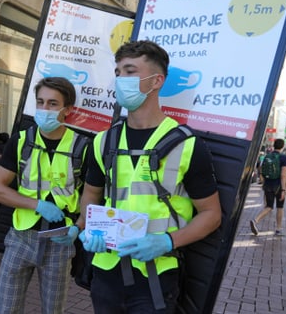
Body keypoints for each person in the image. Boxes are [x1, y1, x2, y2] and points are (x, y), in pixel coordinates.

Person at [74, 40, 221, 313]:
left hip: (157, 272)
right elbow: (91, 197)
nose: (121, 79)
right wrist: (88, 227)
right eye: (118, 73)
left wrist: (168, 241)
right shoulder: (102, 142)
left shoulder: (187, 145)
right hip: (105, 268)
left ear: (157, 81)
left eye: (130, 71)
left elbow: (211, 214)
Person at [0, 77, 88, 314]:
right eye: (41, 102)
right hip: (20, 238)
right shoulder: (21, 141)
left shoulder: (82, 147)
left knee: (53, 311)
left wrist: (79, 226)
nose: (44, 109)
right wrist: (37, 205)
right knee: (6, 309)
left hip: (60, 242)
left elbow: (90, 197)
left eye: (53, 104)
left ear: (68, 110)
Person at [250, 139, 286, 236]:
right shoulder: (284, 158)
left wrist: (263, 181)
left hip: (268, 185)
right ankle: (278, 229)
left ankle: (255, 220)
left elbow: (261, 169)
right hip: (278, 186)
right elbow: (283, 174)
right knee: (280, 207)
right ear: (282, 146)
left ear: (274, 145)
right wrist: (283, 189)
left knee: (269, 206)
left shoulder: (267, 156)